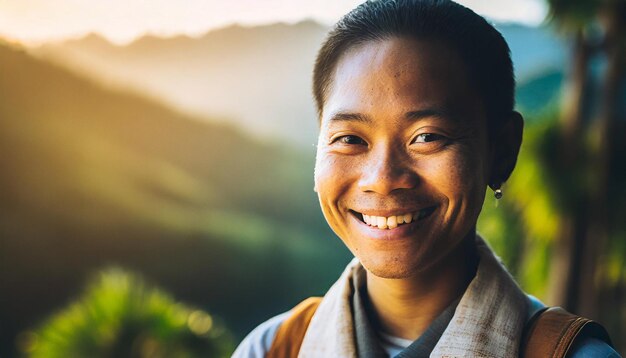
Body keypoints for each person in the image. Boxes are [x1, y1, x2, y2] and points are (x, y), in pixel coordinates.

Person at [233, 0, 618, 356]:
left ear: (501, 151)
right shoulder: (273, 347)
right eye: (349, 139)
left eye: (427, 137)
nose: (382, 179)